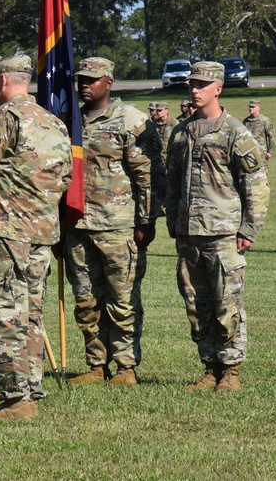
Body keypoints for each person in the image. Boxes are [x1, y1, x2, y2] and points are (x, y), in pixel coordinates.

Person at [0, 55, 73, 419]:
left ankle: (17, 398)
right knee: (30, 313)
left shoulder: (4, 117)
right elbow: (66, 177)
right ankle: (30, 388)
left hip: (6, 230)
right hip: (42, 232)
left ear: (2, 81)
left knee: (2, 312)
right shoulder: (54, 122)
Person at [166, 61, 269, 392]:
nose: (194, 90)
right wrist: (173, 223)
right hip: (188, 233)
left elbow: (255, 183)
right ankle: (210, 367)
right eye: (191, 85)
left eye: (201, 85)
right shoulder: (181, 132)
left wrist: (248, 229)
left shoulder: (236, 132)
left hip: (223, 232)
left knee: (228, 304)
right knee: (197, 305)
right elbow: (170, 181)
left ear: (218, 89)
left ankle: (231, 371)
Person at [65, 58, 161, 387]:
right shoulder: (69, 121)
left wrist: (146, 221)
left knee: (122, 301)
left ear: (109, 82)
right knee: (86, 302)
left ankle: (125, 367)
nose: (84, 85)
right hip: (78, 227)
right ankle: (96, 365)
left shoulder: (129, 121)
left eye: (92, 79)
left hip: (119, 227)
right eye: (81, 79)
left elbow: (147, 176)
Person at [243, 100, 276, 165]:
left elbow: (272, 137)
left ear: (258, 108)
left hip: (261, 152)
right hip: (249, 152)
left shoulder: (264, 120)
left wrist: (270, 152)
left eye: (253, 107)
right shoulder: (246, 121)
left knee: (262, 173)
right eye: (250, 107)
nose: (250, 109)